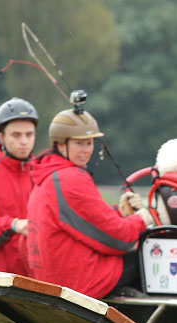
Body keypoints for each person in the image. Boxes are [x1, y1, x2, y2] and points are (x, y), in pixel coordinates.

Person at [26, 107, 154, 299]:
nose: (86, 150)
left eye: (89, 143)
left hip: (53, 279)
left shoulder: (48, 174)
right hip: (78, 283)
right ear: (61, 145)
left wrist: (120, 212)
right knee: (150, 256)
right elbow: (120, 239)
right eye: (79, 144)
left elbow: (87, 221)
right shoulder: (70, 178)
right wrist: (142, 219)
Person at [0, 98, 39, 275]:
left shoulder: (44, 173)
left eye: (29, 134)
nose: (24, 141)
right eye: (16, 135)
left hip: (37, 281)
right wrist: (13, 225)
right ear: (1, 137)